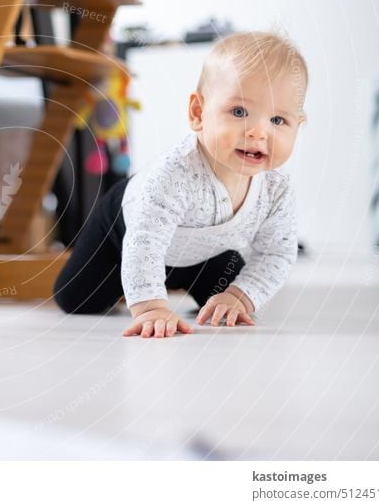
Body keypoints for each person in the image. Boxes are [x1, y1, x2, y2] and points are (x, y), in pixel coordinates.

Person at [53, 32, 308, 339]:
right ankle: (136, 282)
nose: (257, 132)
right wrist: (150, 307)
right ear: (198, 113)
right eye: (239, 112)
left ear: (298, 126)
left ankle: (168, 281)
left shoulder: (275, 190)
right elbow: (145, 241)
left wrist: (239, 296)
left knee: (226, 307)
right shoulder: (174, 175)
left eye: (278, 120)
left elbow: (276, 254)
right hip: (126, 233)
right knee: (77, 299)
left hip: (205, 253)